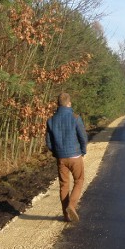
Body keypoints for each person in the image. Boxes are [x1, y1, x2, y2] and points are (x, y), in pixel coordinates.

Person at [45, 92, 87, 222]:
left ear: (58, 104)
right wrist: (83, 151)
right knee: (79, 181)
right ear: (69, 103)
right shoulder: (75, 117)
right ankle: (71, 206)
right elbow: (83, 137)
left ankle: (66, 215)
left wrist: (56, 152)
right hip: (75, 156)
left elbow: (49, 142)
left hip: (61, 158)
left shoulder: (51, 120)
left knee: (63, 185)